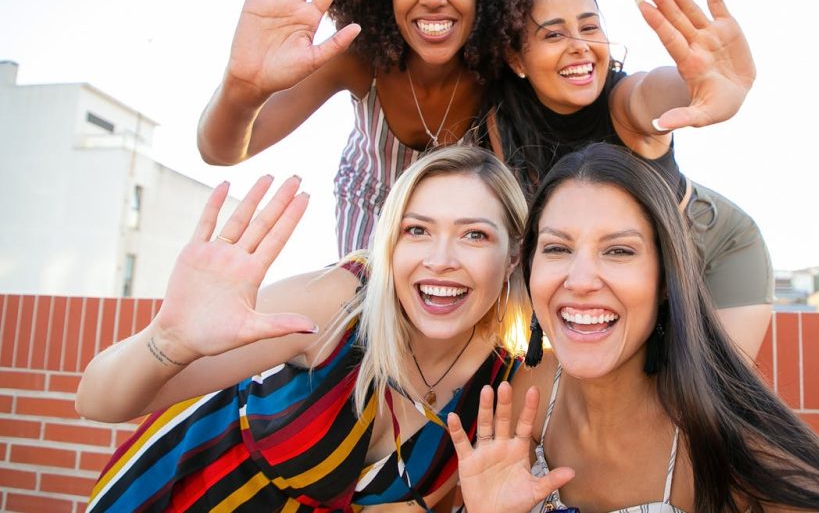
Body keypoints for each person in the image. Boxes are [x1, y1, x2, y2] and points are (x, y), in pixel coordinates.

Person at [447, 143, 819, 513]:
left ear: (666, 280)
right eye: (557, 248)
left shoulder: (728, 450)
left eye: (619, 252)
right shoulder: (518, 398)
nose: (581, 280)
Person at [76, 146, 530, 511]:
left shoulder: (497, 386)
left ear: (512, 255)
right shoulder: (337, 304)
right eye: (417, 231)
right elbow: (97, 402)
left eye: (475, 235)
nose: (441, 259)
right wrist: (167, 340)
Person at [196, 0, 562, 258]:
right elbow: (222, 150)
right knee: (367, 311)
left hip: (461, 221)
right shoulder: (357, 59)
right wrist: (242, 87)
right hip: (371, 214)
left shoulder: (498, 71)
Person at [480, 0, 772, 357]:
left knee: (705, 404)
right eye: (553, 34)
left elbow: (652, 93)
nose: (580, 45)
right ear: (517, 57)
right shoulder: (504, 120)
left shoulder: (623, 101)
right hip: (624, 269)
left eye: (589, 28)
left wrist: (695, 86)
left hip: (713, 249)